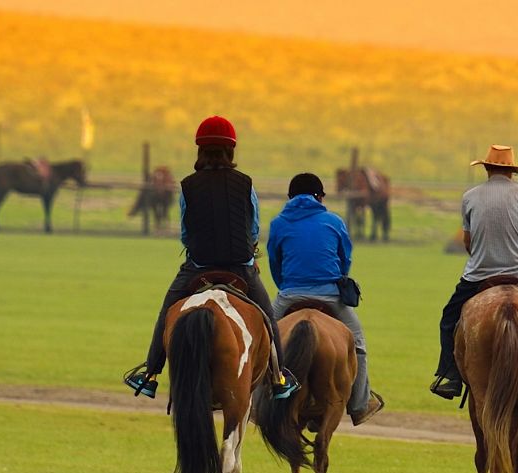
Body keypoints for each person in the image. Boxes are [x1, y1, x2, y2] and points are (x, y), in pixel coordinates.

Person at [124, 115, 296, 400]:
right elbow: (252, 226)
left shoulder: (188, 186)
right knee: (267, 316)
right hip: (241, 268)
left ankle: (151, 372)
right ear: (231, 151)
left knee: (167, 311)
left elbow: (185, 230)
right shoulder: (246, 184)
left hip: (199, 267)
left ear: (200, 150)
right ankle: (279, 376)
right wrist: (248, 250)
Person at [430, 145, 518, 403]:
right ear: (511, 171)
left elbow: (468, 243)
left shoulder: (470, 196)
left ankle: (451, 375)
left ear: (487, 168)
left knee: (449, 318)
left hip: (478, 274)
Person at [266, 172, 384, 426]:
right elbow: (345, 259)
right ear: (319, 197)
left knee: (262, 342)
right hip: (330, 295)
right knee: (359, 344)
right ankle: (360, 404)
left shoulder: (278, 223)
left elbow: (275, 263)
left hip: (289, 294)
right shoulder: (334, 221)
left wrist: (287, 286)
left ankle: (257, 405)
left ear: (290, 197)